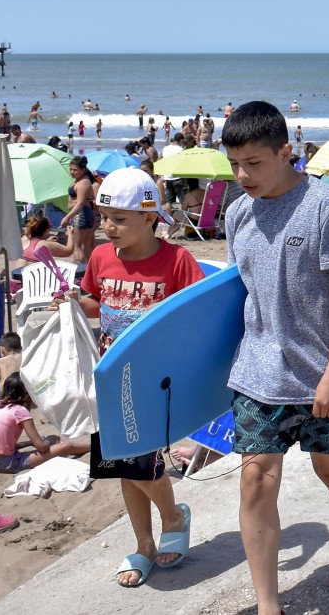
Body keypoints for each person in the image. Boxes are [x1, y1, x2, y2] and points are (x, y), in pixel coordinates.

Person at [221, 101, 329, 614]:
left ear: (287, 152)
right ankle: (269, 604)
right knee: (255, 477)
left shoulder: (325, 205)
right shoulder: (237, 212)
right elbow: (233, 296)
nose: (243, 175)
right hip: (257, 373)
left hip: (317, 373)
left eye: (255, 163)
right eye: (234, 164)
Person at [64, 167, 204, 587]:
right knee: (120, 466)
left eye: (119, 219)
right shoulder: (101, 257)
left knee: (139, 462)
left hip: (154, 380)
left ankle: (174, 516)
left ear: (150, 218)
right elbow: (97, 303)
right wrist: (73, 302)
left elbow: (197, 316)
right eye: (104, 216)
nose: (108, 227)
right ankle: (144, 543)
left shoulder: (178, 260)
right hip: (109, 376)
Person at [0, 373, 56, 474]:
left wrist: (29, 443)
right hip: (4, 463)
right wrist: (48, 442)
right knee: (65, 447)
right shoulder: (20, 411)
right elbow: (41, 447)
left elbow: (0, 445)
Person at [58, 156, 97, 264]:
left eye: (75, 170)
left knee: (78, 247)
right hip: (84, 214)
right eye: (71, 169)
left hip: (81, 215)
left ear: (83, 169)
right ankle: (89, 270)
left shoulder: (83, 182)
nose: (72, 172)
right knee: (86, 247)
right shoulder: (81, 181)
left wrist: (67, 217)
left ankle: (79, 271)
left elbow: (80, 204)